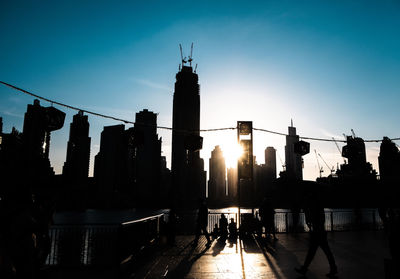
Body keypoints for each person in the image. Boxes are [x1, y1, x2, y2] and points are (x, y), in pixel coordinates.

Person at [295, 193, 337, 277]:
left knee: (313, 252)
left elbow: (313, 220)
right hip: (320, 232)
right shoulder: (319, 208)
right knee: (324, 252)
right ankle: (333, 268)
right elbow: (319, 220)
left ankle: (304, 268)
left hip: (317, 233)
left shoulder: (315, 209)